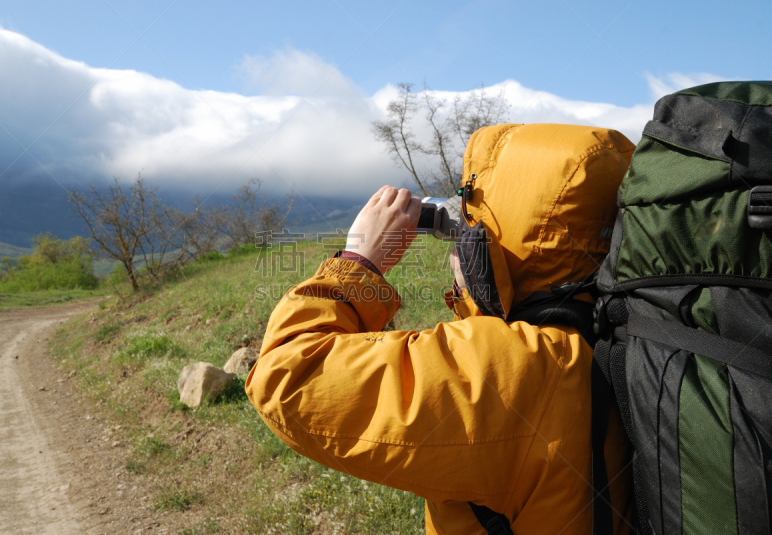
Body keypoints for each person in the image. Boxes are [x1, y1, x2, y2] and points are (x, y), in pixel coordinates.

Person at [246, 123, 636, 534]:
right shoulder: (624, 334)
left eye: (472, 230)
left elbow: (284, 375)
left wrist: (360, 262)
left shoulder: (509, 372)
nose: (458, 246)